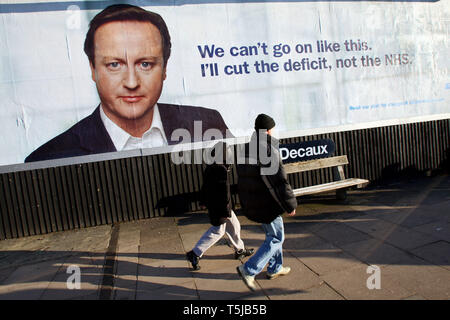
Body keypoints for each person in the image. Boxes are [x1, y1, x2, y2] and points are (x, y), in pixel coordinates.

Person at [25, 4, 230, 163]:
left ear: (165, 69)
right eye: (115, 64)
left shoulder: (206, 124)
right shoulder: (51, 158)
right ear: (93, 69)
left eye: (145, 64)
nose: (131, 82)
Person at [235, 114, 297, 291]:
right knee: (277, 237)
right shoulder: (268, 150)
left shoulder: (246, 148)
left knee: (274, 234)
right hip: (267, 203)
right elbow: (278, 182)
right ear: (268, 130)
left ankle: (275, 268)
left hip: (255, 202)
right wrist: (289, 205)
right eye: (273, 128)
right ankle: (249, 269)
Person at [186, 142, 254, 270]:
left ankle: (240, 249)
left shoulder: (212, 167)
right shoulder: (220, 169)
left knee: (235, 225)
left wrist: (202, 202)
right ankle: (194, 253)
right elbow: (225, 193)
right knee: (218, 231)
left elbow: (205, 187)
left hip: (218, 206)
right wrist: (225, 211)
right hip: (221, 208)